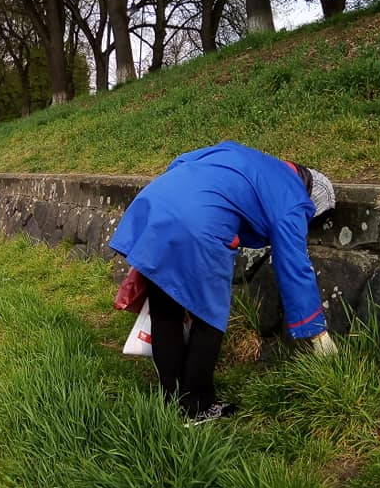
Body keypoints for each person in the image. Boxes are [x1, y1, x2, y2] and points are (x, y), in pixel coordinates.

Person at [108, 141, 337, 424]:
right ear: (311, 199)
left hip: (156, 206)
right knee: (210, 316)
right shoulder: (293, 197)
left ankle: (172, 400)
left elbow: (181, 159)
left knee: (166, 310)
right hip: (200, 224)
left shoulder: (246, 156)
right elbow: (294, 266)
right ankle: (197, 407)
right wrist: (317, 333)